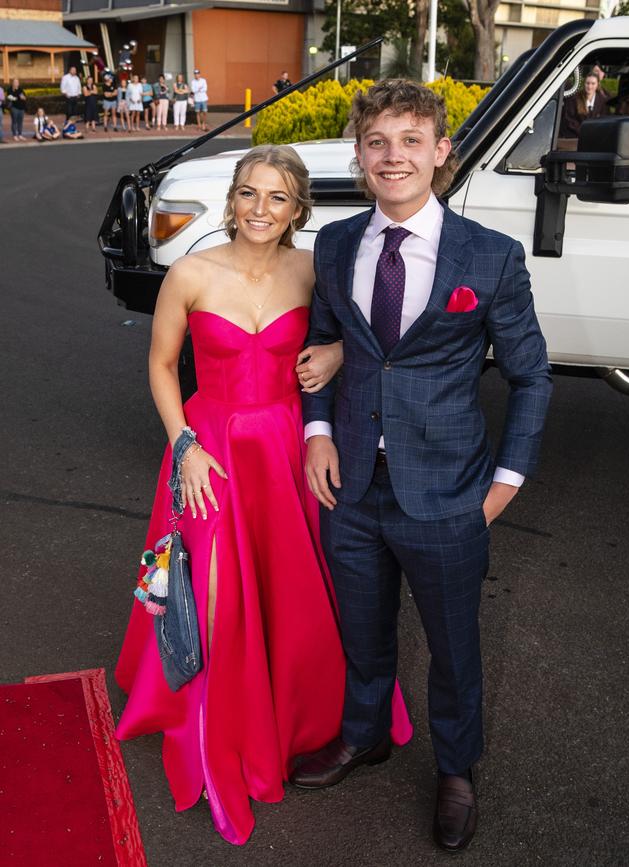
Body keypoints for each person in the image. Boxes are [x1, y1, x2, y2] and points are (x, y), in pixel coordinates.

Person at [113, 144, 413, 845]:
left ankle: (307, 711)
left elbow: (364, 340)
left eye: (277, 197)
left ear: (297, 209)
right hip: (210, 451)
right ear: (232, 200)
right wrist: (183, 443)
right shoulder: (189, 271)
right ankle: (222, 721)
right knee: (211, 591)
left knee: (300, 584)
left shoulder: (314, 269)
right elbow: (161, 365)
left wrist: (335, 352)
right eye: (249, 193)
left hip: (287, 447)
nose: (260, 209)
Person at [290, 80, 553, 854]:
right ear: (360, 154)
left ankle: (456, 769)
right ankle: (364, 735)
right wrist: (315, 429)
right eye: (377, 142)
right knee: (363, 633)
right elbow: (326, 340)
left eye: (411, 140)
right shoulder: (336, 245)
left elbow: (532, 376)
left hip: (449, 494)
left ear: (442, 153)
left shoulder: (491, 257)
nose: (392, 156)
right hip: (352, 489)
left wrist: (504, 486)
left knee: (453, 646)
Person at [560, 72, 608, 137]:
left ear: (597, 85)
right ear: (584, 83)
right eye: (587, 83)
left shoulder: (602, 101)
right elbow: (569, 119)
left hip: (596, 136)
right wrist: (584, 131)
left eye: (593, 84)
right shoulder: (574, 98)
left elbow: (604, 120)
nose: (590, 86)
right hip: (576, 137)